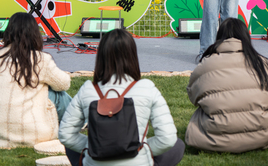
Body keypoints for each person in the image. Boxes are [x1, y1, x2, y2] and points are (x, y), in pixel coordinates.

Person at [59, 29, 184, 166]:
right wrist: (140, 148)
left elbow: (66, 135)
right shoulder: (147, 87)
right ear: (132, 55)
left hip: (96, 160)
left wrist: (96, 147)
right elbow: (167, 139)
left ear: (101, 56)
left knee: (71, 147)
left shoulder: (87, 89)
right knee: (177, 145)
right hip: (137, 160)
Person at [186, 18, 268, 153]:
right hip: (261, 137)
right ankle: (261, 127)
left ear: (219, 37)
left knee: (205, 102)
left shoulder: (206, 63)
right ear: (246, 36)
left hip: (213, 138)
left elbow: (192, 96)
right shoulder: (261, 62)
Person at [0, 12, 71, 148]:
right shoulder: (41, 59)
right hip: (31, 132)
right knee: (58, 94)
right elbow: (64, 83)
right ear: (35, 34)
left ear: (8, 33)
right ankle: (81, 120)